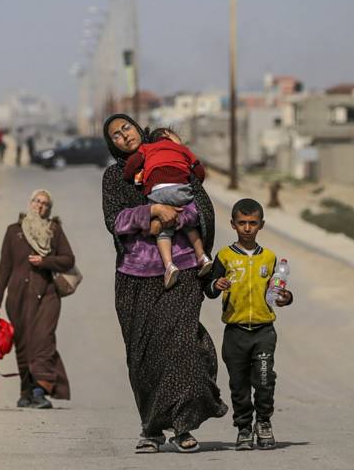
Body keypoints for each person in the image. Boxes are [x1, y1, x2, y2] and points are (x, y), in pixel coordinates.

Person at [102, 114, 227, 454]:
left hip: (182, 271)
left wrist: (178, 216)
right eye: (115, 134)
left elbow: (201, 208)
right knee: (142, 356)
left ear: (139, 129)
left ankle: (184, 425)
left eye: (126, 127)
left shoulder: (172, 158)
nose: (123, 135)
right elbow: (115, 221)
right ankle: (152, 428)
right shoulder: (115, 177)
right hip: (134, 277)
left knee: (181, 346)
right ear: (111, 143)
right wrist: (152, 211)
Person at [203, 198, 293, 450]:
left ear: (261, 225)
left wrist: (286, 298)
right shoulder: (225, 256)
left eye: (252, 223)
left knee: (264, 380)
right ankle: (243, 427)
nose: (247, 228)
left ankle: (263, 422)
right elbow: (209, 288)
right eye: (242, 222)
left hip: (264, 331)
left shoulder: (270, 258)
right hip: (235, 332)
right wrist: (215, 284)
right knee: (238, 384)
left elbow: (279, 293)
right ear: (233, 224)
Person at [0, 189, 74, 409]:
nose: (40, 206)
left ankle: (40, 390)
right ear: (30, 203)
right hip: (17, 298)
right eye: (37, 201)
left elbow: (68, 259)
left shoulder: (54, 230)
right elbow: (4, 267)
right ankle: (25, 391)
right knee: (23, 345)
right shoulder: (13, 231)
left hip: (47, 295)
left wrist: (45, 262)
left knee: (43, 341)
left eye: (45, 203)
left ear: (49, 209)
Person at [123, 127, 213, 288]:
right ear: (167, 135)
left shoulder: (146, 148)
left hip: (158, 191)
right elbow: (199, 171)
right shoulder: (182, 149)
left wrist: (130, 175)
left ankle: (169, 266)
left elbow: (132, 164)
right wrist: (193, 179)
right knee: (190, 224)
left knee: (163, 231)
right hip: (181, 189)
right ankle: (202, 256)